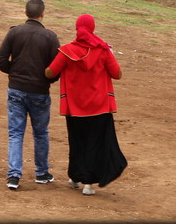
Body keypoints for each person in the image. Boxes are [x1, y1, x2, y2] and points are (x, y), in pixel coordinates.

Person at [45, 13, 127, 196]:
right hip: (99, 107)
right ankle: (88, 184)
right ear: (93, 28)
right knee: (94, 144)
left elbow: (50, 73)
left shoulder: (66, 51)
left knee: (77, 142)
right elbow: (117, 74)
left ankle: (75, 177)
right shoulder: (103, 50)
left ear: (77, 28)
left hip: (75, 108)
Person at [0, 0, 60, 190]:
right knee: (40, 133)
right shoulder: (50, 37)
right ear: (43, 14)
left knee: (15, 133)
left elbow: (0, 59)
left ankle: (14, 175)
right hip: (39, 92)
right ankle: (41, 172)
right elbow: (56, 68)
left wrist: (14, 73)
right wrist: (46, 80)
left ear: (25, 13)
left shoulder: (14, 33)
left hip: (16, 89)